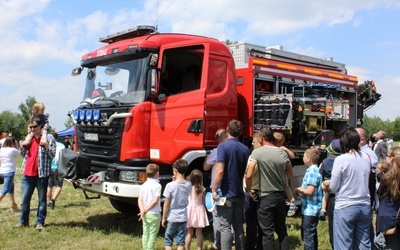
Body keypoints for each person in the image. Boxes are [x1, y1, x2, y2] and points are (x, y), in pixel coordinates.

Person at [245, 125, 293, 249]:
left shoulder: (257, 152)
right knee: (282, 231)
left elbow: (249, 174)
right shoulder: (282, 153)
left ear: (261, 138)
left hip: (265, 196)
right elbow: (290, 173)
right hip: (280, 196)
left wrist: (249, 189)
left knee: (267, 233)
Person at [328, 127, 372, 249]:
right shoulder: (366, 157)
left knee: (343, 245)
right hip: (364, 204)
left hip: (345, 205)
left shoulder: (341, 159)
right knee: (364, 243)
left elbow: (334, 187)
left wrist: (326, 186)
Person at [212, 119, 249, 250]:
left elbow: (220, 169)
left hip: (226, 193)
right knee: (238, 225)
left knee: (225, 226)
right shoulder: (245, 149)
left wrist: (214, 189)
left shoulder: (223, 147)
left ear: (227, 130)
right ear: (241, 132)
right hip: (239, 192)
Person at [15, 116, 56, 231]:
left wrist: (46, 145)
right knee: (24, 200)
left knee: (42, 200)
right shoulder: (29, 137)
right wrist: (23, 146)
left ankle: (40, 222)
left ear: (41, 126)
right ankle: (23, 221)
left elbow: (52, 155)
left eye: (35, 127)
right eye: (30, 127)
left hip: (42, 174)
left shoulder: (49, 137)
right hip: (27, 173)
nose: (32, 129)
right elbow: (23, 155)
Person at [203, 128, 228, 250]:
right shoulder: (235, 148)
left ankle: (217, 243)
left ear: (219, 138)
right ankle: (232, 240)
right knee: (232, 217)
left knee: (217, 216)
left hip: (218, 188)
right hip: (232, 187)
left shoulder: (217, 151)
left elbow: (206, 167)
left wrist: (206, 158)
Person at [294, 148, 323, 250]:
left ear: (309, 159)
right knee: (311, 233)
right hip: (311, 208)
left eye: (304, 156)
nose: (303, 158)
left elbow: (310, 191)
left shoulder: (312, 172)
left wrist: (298, 189)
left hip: (310, 210)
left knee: (308, 236)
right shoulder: (314, 170)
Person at [162, 159, 192, 250]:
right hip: (183, 216)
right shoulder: (188, 184)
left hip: (172, 216)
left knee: (168, 241)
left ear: (175, 170)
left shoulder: (170, 186)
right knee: (180, 242)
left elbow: (167, 203)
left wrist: (164, 217)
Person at [376, 146, 400, 249]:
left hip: (388, 220)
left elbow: (380, 195)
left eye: (387, 156)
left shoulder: (386, 179)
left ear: (392, 159)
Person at [319, 139, 341, 249]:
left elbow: (320, 176)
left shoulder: (325, 162)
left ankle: (323, 210)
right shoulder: (344, 160)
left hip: (329, 188)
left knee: (325, 196)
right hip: (343, 194)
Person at [243, 132, 263, 249]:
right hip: (264, 191)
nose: (252, 143)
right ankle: (261, 245)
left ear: (259, 141)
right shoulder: (269, 154)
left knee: (251, 221)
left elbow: (248, 174)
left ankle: (250, 245)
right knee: (262, 221)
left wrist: (249, 190)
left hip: (253, 191)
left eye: (254, 142)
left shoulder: (254, 156)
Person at [138, 163, 162, 250]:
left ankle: (145, 248)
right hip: (154, 213)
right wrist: (146, 209)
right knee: (152, 234)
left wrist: (142, 210)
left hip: (145, 214)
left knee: (145, 233)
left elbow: (140, 199)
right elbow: (155, 201)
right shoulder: (158, 186)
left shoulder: (144, 185)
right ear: (157, 174)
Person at [273, 132, 297, 216]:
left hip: (282, 171)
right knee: (285, 186)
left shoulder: (281, 148)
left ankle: (292, 202)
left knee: (286, 186)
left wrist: (285, 149)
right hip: (280, 171)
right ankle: (291, 201)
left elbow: (292, 156)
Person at [185, 169, 209, 250]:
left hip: (190, 210)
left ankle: (187, 248)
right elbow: (203, 201)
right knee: (199, 233)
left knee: (189, 232)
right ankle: (199, 249)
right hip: (199, 209)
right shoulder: (202, 188)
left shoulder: (188, 188)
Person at [0, 136, 21, 212]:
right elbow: (20, 154)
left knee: (11, 187)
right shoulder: (13, 150)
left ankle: (13, 205)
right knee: (5, 189)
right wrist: (17, 145)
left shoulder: (1, 149)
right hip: (9, 172)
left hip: (1, 171)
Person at [46, 132, 65, 209]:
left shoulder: (48, 145)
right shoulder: (61, 146)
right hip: (58, 168)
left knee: (49, 186)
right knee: (58, 186)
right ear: (57, 138)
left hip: (49, 167)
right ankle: (53, 200)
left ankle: (47, 202)